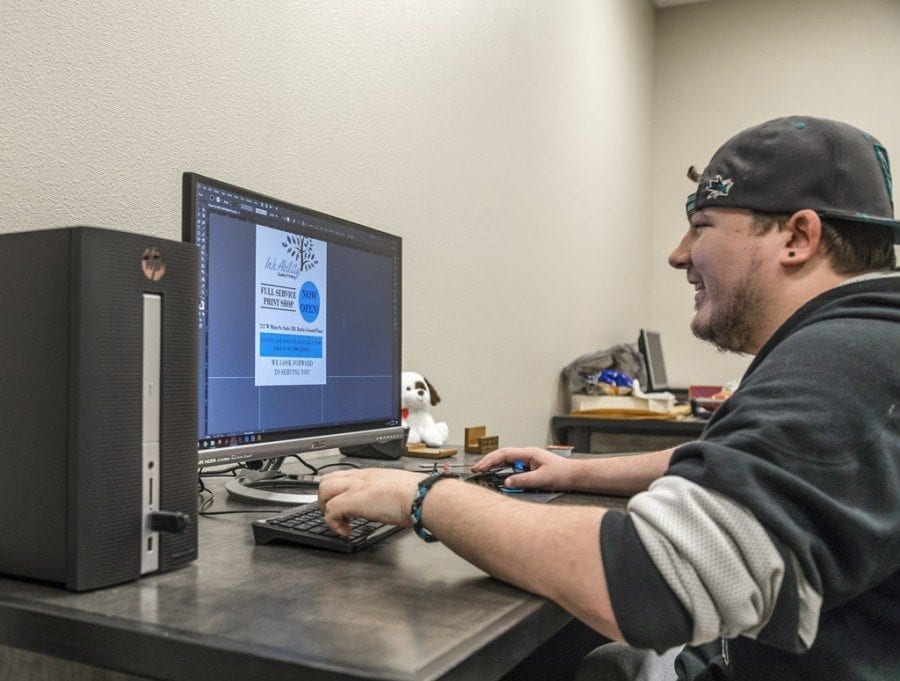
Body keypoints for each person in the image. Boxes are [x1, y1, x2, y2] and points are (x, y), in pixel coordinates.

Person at [318, 115, 900, 680]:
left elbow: (653, 580)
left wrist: (424, 498)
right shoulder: (863, 340)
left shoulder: (844, 357)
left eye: (702, 225)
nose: (679, 253)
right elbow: (756, 468)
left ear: (798, 238)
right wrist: (576, 472)